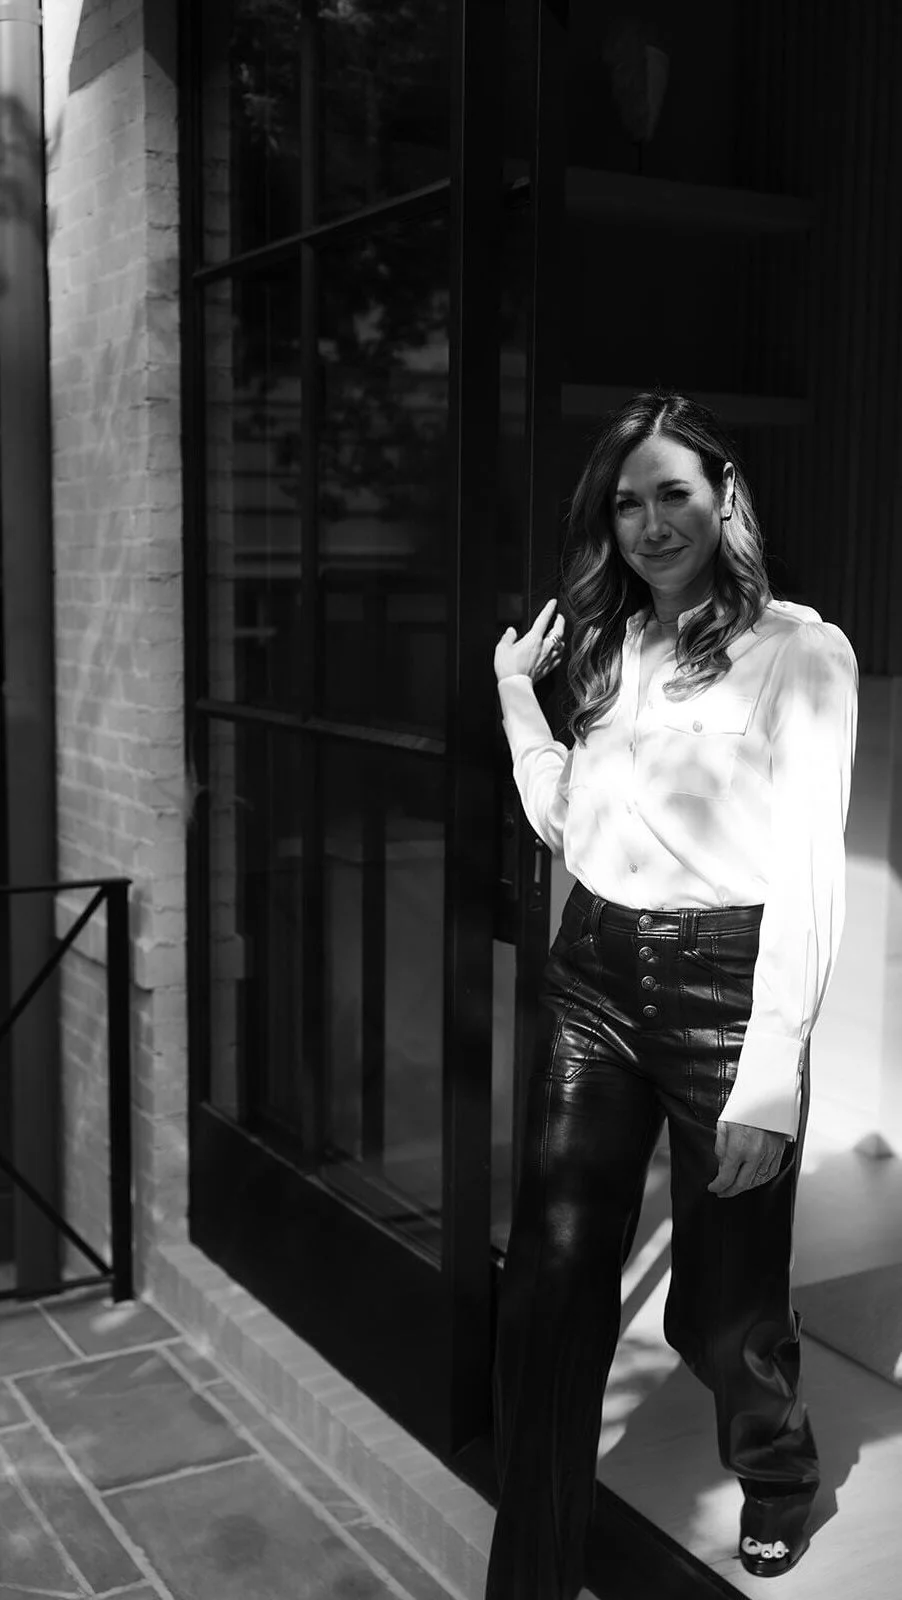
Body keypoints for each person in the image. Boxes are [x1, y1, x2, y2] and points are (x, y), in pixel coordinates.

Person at [487, 390, 858, 1599]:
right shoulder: (607, 648)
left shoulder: (799, 652)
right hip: (592, 978)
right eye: (625, 504)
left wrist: (769, 1074)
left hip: (722, 992)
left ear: (722, 497)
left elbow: (807, 873)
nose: (648, 525)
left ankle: (775, 1472)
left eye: (672, 495)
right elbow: (570, 821)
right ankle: (529, 1572)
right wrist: (516, 698)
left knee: (721, 1309)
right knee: (550, 1284)